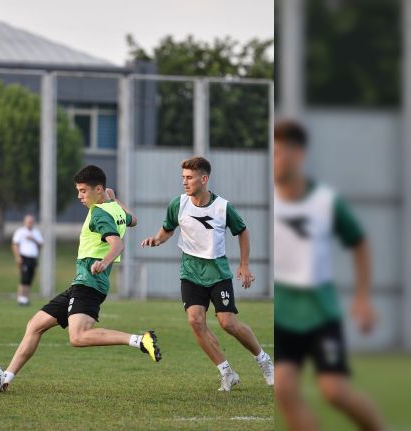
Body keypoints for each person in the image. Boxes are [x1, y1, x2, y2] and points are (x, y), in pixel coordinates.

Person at [1, 165, 161, 392]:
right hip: (81, 283)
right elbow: (133, 220)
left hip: (90, 283)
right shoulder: (113, 209)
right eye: (78, 191)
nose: (79, 196)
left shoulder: (99, 214)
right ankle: (5, 378)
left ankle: (140, 340)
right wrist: (114, 199)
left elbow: (117, 244)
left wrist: (103, 261)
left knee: (77, 337)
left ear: (98, 189)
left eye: (83, 191)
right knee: (35, 325)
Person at [273, 120, 383, 431]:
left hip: (319, 312)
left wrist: (363, 298)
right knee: (284, 389)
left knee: (334, 391)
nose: (273, 160)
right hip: (282, 314)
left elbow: (359, 242)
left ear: (297, 155)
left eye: (278, 153)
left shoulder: (325, 201)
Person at [140, 156, 273, 392]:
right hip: (190, 272)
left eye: (189, 177)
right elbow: (168, 229)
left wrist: (244, 265)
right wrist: (157, 239)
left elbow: (242, 231)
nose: (184, 182)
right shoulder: (178, 204)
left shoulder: (223, 207)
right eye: (183, 177)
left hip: (218, 273)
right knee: (195, 320)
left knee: (228, 323)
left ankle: (264, 361)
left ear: (204, 179)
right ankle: (226, 372)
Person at [11, 214, 43, 306]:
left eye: (31, 222)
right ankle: (20, 298)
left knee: (30, 278)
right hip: (24, 257)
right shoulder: (20, 232)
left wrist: (33, 239)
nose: (30, 223)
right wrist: (17, 257)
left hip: (33, 258)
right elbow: (15, 244)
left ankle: (26, 298)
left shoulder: (36, 232)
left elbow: (41, 243)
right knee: (24, 278)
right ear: (25, 222)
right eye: (28, 222)